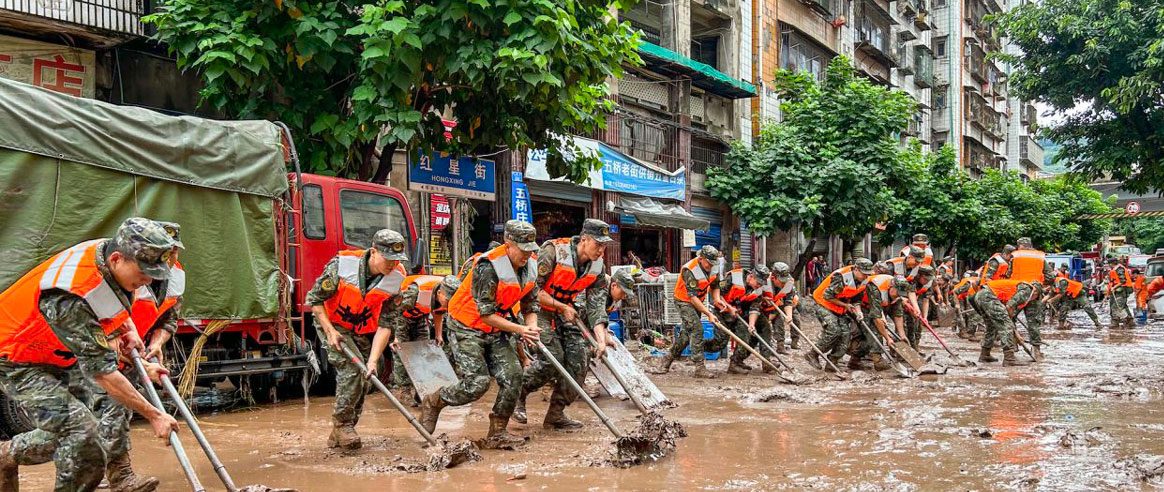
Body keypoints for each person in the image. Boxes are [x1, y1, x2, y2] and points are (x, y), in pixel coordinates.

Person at [0, 218, 181, 491]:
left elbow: (104, 306)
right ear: (118, 259)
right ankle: (10, 456)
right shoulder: (69, 294)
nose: (149, 279)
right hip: (15, 357)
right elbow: (104, 373)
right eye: (144, 272)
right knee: (82, 435)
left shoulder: (106, 255)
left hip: (57, 351)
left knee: (102, 416)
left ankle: (7, 455)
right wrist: (155, 415)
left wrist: (126, 329)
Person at [420, 220, 541, 448]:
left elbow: (530, 304)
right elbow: (485, 314)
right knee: (477, 383)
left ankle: (497, 432)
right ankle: (434, 401)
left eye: (530, 249)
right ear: (508, 244)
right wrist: (520, 329)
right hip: (467, 324)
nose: (527, 254)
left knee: (514, 375)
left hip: (497, 328)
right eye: (522, 249)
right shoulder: (488, 266)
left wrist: (531, 326)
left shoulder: (531, 266)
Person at [306, 229, 409, 450]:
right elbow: (314, 300)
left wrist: (373, 361)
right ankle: (343, 425)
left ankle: (342, 430)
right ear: (374, 252)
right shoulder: (342, 266)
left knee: (365, 373)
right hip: (332, 322)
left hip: (360, 329)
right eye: (388, 258)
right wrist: (330, 331)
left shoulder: (396, 277)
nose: (392, 264)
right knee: (352, 370)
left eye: (397, 260)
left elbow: (385, 325)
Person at [514, 219, 613, 430]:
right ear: (584, 239)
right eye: (598, 244)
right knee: (553, 358)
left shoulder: (598, 266)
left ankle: (555, 415)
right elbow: (533, 292)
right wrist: (561, 307)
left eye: (605, 246)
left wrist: (601, 338)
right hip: (539, 309)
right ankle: (517, 394)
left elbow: (596, 306)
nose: (601, 250)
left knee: (580, 361)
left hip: (566, 311)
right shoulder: (553, 251)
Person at [366, 274, 461, 406]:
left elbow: (439, 312)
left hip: (419, 317)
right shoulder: (416, 291)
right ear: (439, 293)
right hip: (401, 317)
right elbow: (396, 311)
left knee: (424, 350)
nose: (449, 303)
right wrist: (397, 337)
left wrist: (438, 335)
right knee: (401, 350)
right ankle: (403, 390)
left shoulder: (447, 295)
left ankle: (422, 391)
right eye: (448, 300)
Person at [649, 246, 727, 379]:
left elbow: (715, 285)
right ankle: (699, 367)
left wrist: (717, 299)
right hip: (684, 301)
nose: (711, 266)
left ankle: (667, 359)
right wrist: (708, 314)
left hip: (698, 301)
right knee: (697, 329)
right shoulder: (689, 269)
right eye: (708, 263)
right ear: (701, 259)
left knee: (686, 335)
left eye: (713, 263)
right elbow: (692, 297)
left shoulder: (713, 265)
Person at [807, 258, 875, 372]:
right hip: (823, 304)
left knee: (845, 334)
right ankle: (813, 354)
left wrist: (858, 312)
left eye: (868, 274)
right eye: (864, 274)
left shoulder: (863, 280)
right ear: (856, 269)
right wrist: (845, 305)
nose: (866, 277)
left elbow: (856, 299)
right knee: (834, 330)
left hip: (840, 308)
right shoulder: (841, 277)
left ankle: (833, 361)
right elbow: (828, 296)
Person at [973, 278, 1039, 366]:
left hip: (980, 295)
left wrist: (1015, 331)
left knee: (991, 326)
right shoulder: (1028, 290)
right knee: (1006, 326)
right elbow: (1009, 307)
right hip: (988, 296)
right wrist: (1014, 332)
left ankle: (985, 354)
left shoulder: (1019, 287)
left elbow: (1008, 311)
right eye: (1035, 298)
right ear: (1036, 293)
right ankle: (1009, 358)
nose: (1031, 300)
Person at [1008, 237, 1054, 361]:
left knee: (1009, 318)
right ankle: (1036, 351)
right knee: (1033, 323)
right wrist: (1039, 284)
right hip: (1034, 292)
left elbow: (1008, 274)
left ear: (1021, 245)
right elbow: (1050, 277)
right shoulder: (1040, 257)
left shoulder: (1015, 255)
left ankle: (1013, 346)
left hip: (1017, 292)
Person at [721, 265, 772, 374]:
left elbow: (755, 307)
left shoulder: (757, 289)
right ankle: (734, 364)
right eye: (758, 283)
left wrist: (752, 324)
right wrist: (729, 307)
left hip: (741, 311)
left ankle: (765, 362)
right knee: (720, 342)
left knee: (763, 325)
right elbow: (716, 294)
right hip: (723, 309)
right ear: (751, 276)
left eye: (761, 284)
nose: (759, 286)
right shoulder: (733, 278)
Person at [848, 272, 903, 371]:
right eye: (897, 293)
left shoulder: (896, 287)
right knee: (874, 333)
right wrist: (888, 338)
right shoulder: (876, 288)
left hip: (873, 306)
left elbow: (896, 314)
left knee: (871, 336)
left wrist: (902, 336)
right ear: (892, 287)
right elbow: (876, 318)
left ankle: (855, 359)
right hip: (859, 306)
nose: (898, 296)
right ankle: (878, 360)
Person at [765, 262, 802, 352]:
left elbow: (788, 301)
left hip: (784, 303)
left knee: (795, 319)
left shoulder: (788, 282)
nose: (783, 283)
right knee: (778, 321)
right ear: (774, 277)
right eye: (781, 280)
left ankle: (794, 342)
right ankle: (780, 345)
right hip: (770, 306)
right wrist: (771, 315)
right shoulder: (765, 282)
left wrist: (789, 316)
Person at [952, 271, 985, 341]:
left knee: (970, 314)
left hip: (968, 297)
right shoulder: (969, 283)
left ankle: (966, 332)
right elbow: (955, 292)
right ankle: (966, 333)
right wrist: (957, 304)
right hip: (958, 297)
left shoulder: (981, 281)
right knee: (966, 315)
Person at [1106, 257, 1136, 329]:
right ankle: (1130, 321)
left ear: (1111, 263)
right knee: (1123, 306)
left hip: (1122, 290)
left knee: (1115, 306)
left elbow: (1123, 281)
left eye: (1109, 264)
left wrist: (1114, 287)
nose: (1108, 265)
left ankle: (1115, 322)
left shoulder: (1119, 269)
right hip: (1117, 290)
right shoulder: (1115, 269)